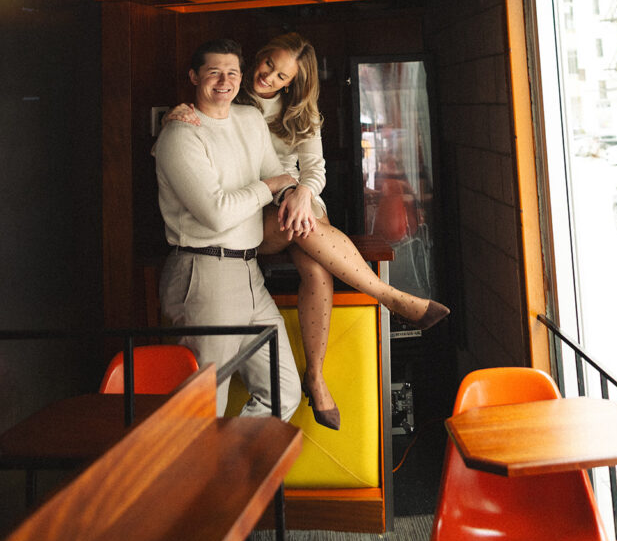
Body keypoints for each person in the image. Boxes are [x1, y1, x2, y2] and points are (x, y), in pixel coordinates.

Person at [163, 32, 449, 430]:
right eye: (267, 66)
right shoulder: (219, 109)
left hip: (287, 207)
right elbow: (214, 193)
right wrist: (176, 115)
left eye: (282, 76)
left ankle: (313, 377)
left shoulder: (283, 113)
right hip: (243, 228)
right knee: (206, 397)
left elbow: (312, 169)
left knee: (315, 265)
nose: (270, 77)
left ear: (293, 82)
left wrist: (298, 191)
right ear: (257, 60)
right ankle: (390, 296)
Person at [154, 38, 302, 421]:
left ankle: (230, 477)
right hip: (204, 272)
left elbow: (275, 172)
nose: (224, 81)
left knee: (283, 393)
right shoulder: (179, 135)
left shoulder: (249, 119)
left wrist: (292, 191)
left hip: (250, 273)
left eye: (232, 72)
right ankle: (198, 481)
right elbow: (216, 214)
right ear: (194, 76)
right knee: (205, 406)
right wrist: (270, 187)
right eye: (213, 72)